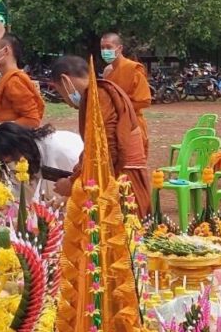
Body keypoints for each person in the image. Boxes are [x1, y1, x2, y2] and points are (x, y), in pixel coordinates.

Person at [49, 55, 150, 216]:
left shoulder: (100, 95)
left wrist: (73, 183)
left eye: (61, 93)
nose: (66, 101)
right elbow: (92, 149)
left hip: (123, 180)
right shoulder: (96, 95)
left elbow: (105, 151)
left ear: (65, 80)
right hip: (117, 175)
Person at [0, 122, 83, 202]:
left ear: (23, 144)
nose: (15, 165)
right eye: (8, 162)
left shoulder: (63, 152)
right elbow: (24, 194)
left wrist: (68, 191)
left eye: (15, 159)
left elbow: (85, 181)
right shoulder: (27, 155)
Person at [0, 33, 45, 137]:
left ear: (6, 51)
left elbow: (32, 120)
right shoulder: (7, 78)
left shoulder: (15, 81)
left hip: (14, 141)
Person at [100, 32, 150, 153]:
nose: (105, 51)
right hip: (113, 125)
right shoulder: (107, 71)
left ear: (119, 48)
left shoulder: (133, 69)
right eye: (102, 48)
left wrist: (118, 108)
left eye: (109, 47)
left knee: (132, 162)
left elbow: (145, 101)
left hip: (132, 124)